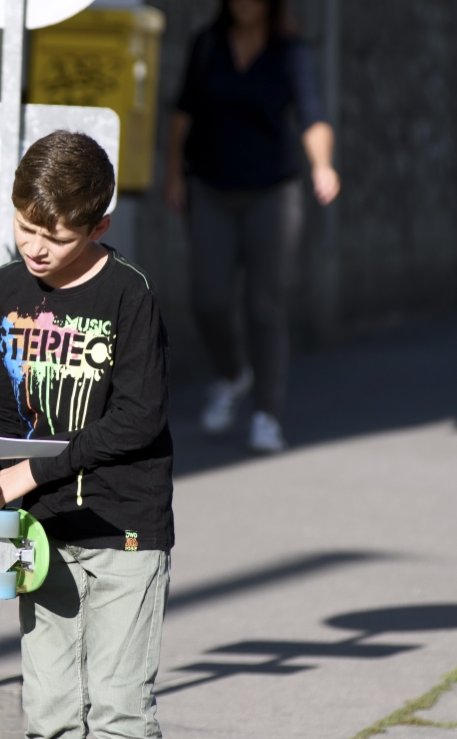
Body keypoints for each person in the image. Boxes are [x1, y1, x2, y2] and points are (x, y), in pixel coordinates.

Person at [0, 131, 174, 739]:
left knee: (119, 712)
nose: (33, 247)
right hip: (41, 534)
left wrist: (31, 472)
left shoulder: (129, 295)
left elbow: (137, 421)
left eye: (53, 237)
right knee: (48, 715)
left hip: (123, 531)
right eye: (25, 227)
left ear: (98, 227)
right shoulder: (3, 290)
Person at [165, 0, 340, 453]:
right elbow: (183, 113)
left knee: (265, 306)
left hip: (272, 193)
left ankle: (267, 414)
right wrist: (171, 176)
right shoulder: (207, 45)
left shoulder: (290, 50)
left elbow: (313, 113)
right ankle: (232, 374)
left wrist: (323, 166)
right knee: (208, 299)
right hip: (209, 188)